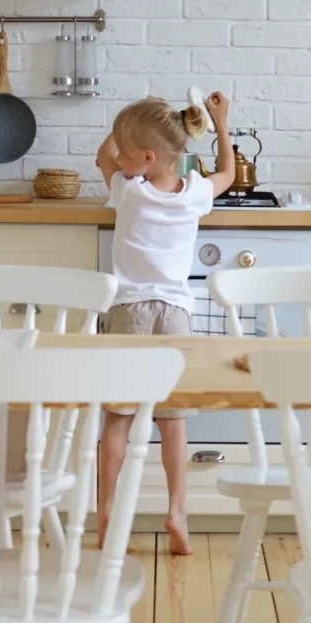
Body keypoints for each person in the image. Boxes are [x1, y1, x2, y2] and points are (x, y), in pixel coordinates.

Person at [95, 92, 235, 554]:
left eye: (126, 149)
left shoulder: (128, 191)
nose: (118, 156)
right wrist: (219, 121)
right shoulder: (195, 192)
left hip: (128, 311)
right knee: (172, 423)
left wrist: (121, 131)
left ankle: (110, 510)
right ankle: (177, 511)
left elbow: (102, 157)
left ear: (147, 158)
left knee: (117, 420)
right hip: (175, 315)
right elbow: (229, 174)